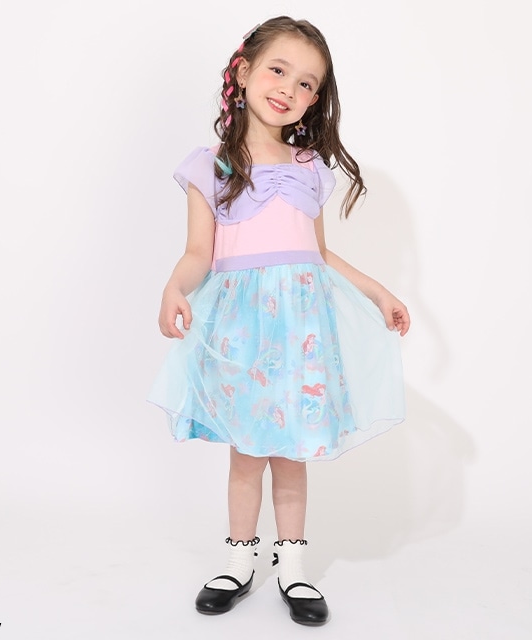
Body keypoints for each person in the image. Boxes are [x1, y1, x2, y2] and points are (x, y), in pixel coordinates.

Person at [148, 16, 410, 626]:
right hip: (243, 333)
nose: (290, 88)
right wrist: (174, 287)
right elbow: (198, 252)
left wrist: (376, 291)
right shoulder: (213, 166)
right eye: (278, 70)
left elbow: (317, 253)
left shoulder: (308, 166)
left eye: (308, 83)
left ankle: (292, 566)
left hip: (302, 330)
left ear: (315, 99)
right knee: (248, 451)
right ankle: (239, 561)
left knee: (292, 452)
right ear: (243, 72)